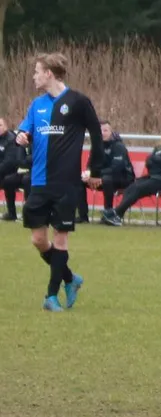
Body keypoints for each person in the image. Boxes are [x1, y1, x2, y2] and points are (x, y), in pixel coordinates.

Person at [16, 52, 104, 311]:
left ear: (49, 74)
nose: (33, 76)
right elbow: (25, 131)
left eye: (36, 71)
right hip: (39, 181)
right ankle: (70, 278)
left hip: (66, 183)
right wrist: (22, 137)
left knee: (61, 239)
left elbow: (97, 135)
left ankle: (51, 297)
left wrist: (95, 169)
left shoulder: (78, 102)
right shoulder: (37, 105)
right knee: (38, 240)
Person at [101, 123, 161, 226]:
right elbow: (149, 162)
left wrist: (157, 160)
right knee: (131, 187)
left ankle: (115, 213)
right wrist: (158, 161)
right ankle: (118, 216)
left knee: (138, 188)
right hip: (152, 177)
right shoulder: (159, 147)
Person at [83, 120, 135, 219]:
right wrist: (88, 175)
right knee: (79, 180)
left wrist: (99, 177)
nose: (102, 133)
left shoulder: (119, 146)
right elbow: (90, 165)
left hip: (124, 178)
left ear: (111, 132)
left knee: (107, 180)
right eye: (100, 130)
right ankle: (83, 215)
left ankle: (108, 213)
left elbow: (116, 168)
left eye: (105, 130)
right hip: (103, 177)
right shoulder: (96, 146)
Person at [0, 117, 26, 221]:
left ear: (5, 126)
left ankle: (12, 213)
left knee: (8, 180)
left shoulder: (11, 139)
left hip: (9, 173)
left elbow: (9, 163)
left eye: (0, 125)